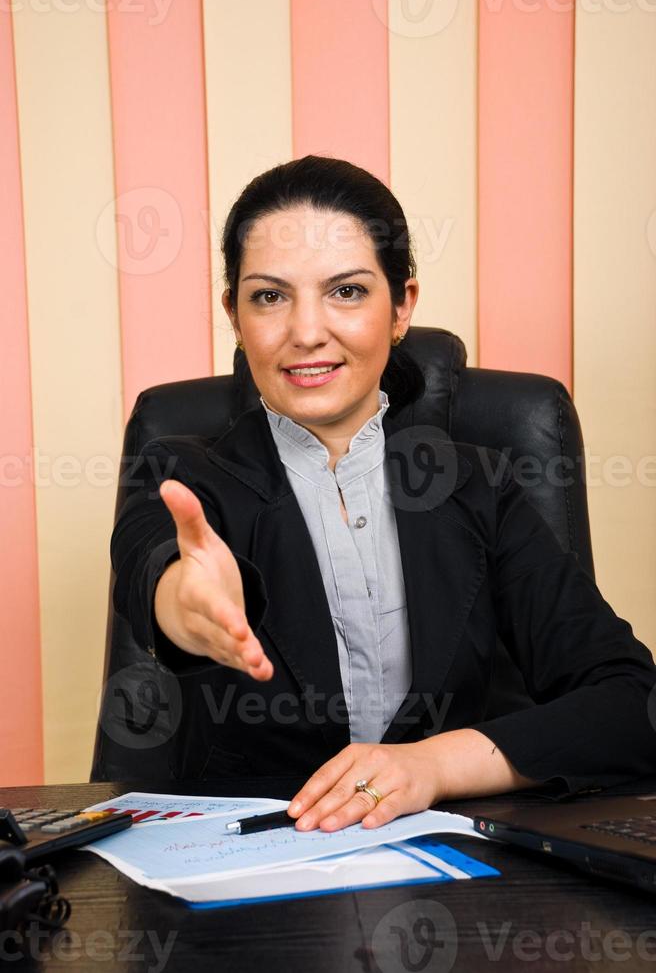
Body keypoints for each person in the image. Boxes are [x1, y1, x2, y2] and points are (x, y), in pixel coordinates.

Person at [111, 155, 656, 833]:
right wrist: (183, 604)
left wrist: (432, 766)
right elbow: (154, 566)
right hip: (253, 887)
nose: (307, 331)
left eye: (346, 291)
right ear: (235, 314)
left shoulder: (481, 486)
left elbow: (634, 703)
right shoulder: (177, 472)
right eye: (270, 296)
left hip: (458, 886)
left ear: (401, 307)